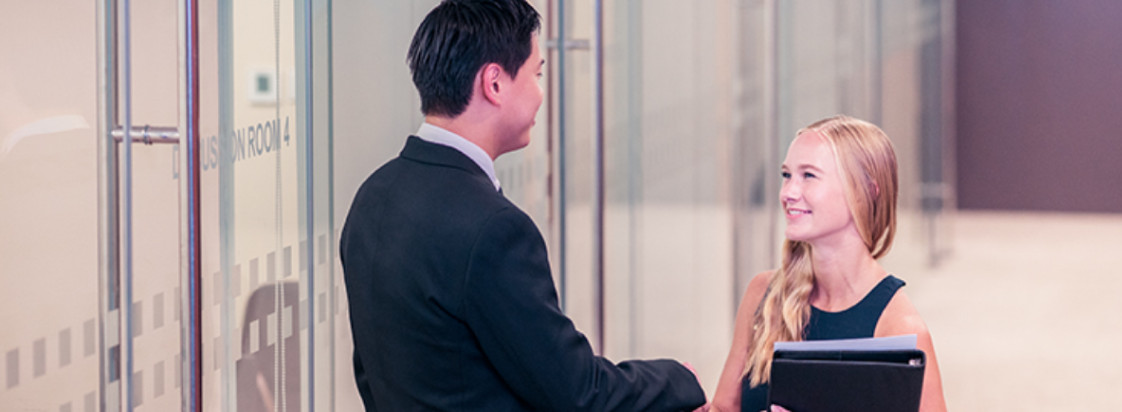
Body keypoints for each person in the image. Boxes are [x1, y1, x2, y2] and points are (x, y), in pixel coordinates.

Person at [338, 1, 707, 411]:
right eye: (537, 73)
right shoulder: (494, 229)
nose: (541, 93)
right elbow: (577, 391)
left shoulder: (373, 196)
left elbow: (371, 375)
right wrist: (678, 380)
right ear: (493, 83)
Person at [706, 116, 947, 412]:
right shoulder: (762, 295)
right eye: (786, 175)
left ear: (866, 191)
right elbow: (723, 408)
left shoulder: (900, 328)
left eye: (808, 175)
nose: (788, 193)